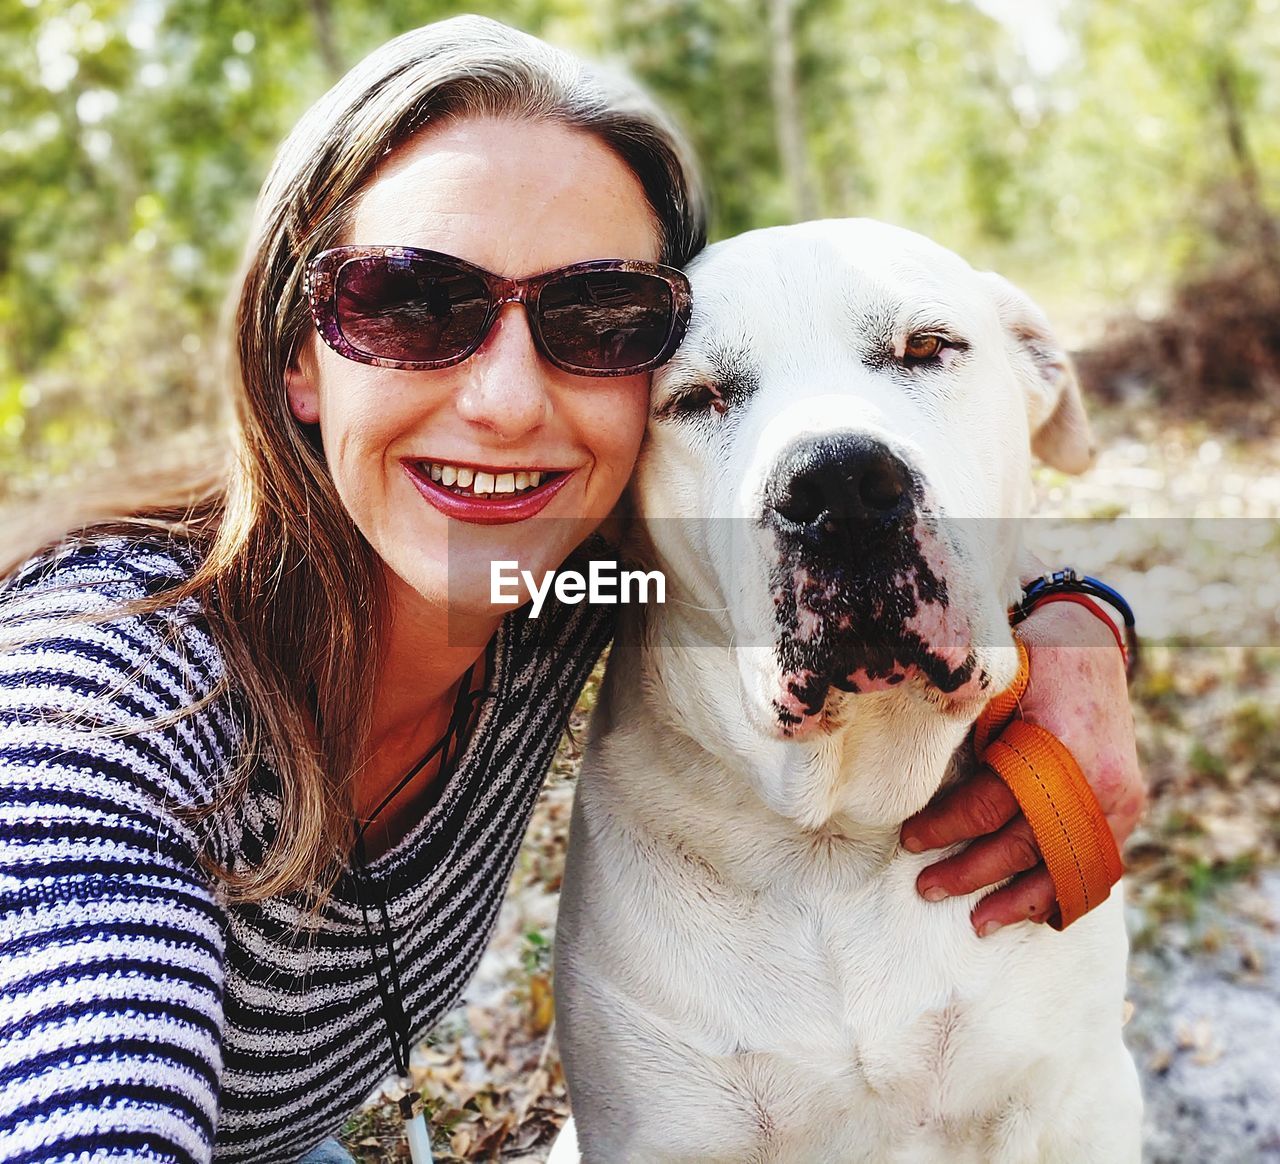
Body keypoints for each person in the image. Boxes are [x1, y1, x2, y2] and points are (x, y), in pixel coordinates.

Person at [0, 15, 1144, 1164]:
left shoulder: (557, 573)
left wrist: (1077, 620)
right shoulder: (94, 706)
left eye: (594, 321)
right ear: (298, 354)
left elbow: (877, 513)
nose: (503, 403)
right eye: (410, 301)